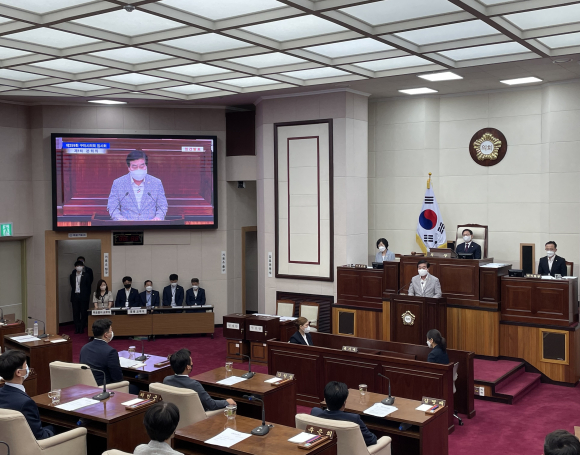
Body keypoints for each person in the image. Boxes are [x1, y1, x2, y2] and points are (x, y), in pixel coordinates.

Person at [0, 350, 54, 440]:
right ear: (19, 372)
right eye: (26, 365)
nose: (28, 368)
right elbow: (40, 437)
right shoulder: (26, 403)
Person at [163, 348, 235, 412]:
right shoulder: (194, 385)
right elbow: (211, 405)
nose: (192, 363)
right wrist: (227, 402)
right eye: (191, 361)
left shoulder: (166, 380)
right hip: (197, 418)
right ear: (188, 367)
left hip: (175, 416)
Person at [107, 150, 168, 221]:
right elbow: (112, 206)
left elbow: (162, 205)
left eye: (142, 166)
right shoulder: (118, 183)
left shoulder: (156, 183)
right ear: (129, 168)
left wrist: (158, 218)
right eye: (134, 167)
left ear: (146, 166)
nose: (138, 169)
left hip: (150, 225)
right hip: (127, 226)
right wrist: (120, 219)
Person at [311, 381, 377, 446]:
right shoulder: (353, 419)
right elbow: (371, 440)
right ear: (344, 402)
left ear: (325, 400)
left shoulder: (315, 413)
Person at [79, 319, 123, 387]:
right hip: (105, 388)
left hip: (86, 386)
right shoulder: (110, 352)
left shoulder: (84, 348)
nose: (112, 332)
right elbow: (117, 378)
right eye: (111, 330)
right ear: (106, 335)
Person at [70, 259, 92, 333]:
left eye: (80, 266)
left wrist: (87, 295)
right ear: (75, 267)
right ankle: (77, 327)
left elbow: (88, 286)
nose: (79, 267)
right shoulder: (72, 275)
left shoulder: (86, 275)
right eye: (77, 266)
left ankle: (82, 327)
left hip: (83, 296)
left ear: (82, 267)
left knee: (83, 312)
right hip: (75, 296)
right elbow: (72, 285)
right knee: (75, 313)